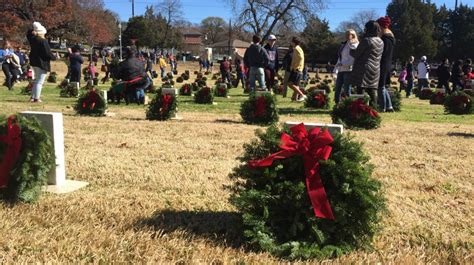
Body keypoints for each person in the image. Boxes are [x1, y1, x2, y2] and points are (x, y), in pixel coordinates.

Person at [350, 20, 384, 107]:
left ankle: (361, 108)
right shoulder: (381, 41)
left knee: (361, 89)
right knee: (372, 90)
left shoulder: (366, 40)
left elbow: (357, 54)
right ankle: (374, 108)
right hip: (376, 68)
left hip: (364, 68)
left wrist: (351, 49)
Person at [27, 22, 57, 102]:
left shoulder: (33, 39)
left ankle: (33, 97)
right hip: (42, 63)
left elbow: (28, 33)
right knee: (39, 82)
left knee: (36, 80)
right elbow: (47, 53)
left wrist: (33, 30)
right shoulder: (43, 41)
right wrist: (54, 57)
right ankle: (37, 98)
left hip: (34, 62)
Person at [334, 29, 359, 104]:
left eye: (349, 34)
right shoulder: (344, 44)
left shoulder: (356, 45)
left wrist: (344, 64)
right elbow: (340, 57)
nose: (347, 36)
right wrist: (336, 68)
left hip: (349, 70)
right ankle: (337, 103)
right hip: (341, 69)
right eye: (346, 34)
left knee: (346, 89)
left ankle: (348, 104)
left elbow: (354, 58)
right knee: (337, 87)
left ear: (353, 35)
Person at [376, 16, 394, 112]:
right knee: (383, 87)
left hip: (382, 64)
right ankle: (389, 106)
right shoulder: (390, 38)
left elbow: (382, 53)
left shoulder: (385, 39)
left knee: (380, 86)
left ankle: (382, 107)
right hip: (387, 64)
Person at [288, 37, 306, 102]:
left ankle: (302, 95)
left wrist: (295, 67)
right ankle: (295, 99)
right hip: (300, 69)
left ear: (294, 42)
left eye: (291, 41)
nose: (291, 42)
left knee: (290, 84)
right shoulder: (299, 48)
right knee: (296, 85)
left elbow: (300, 58)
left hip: (296, 69)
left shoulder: (296, 49)